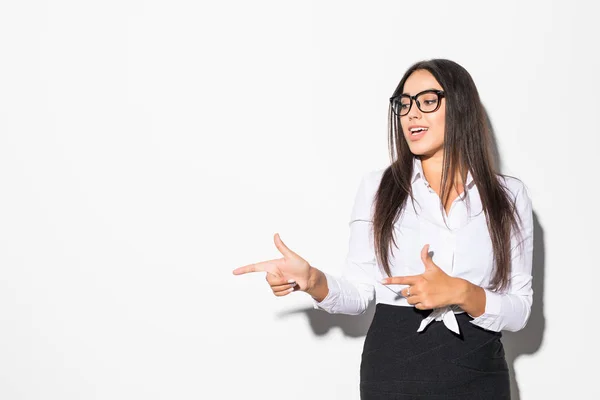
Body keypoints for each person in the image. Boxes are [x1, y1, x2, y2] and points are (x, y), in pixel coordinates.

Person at [232, 59, 533, 400]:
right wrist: (313, 281)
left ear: (461, 105)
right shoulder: (378, 188)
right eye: (403, 104)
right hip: (394, 371)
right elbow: (360, 294)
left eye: (427, 101)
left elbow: (519, 310)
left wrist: (462, 292)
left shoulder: (508, 195)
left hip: (479, 371)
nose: (412, 114)